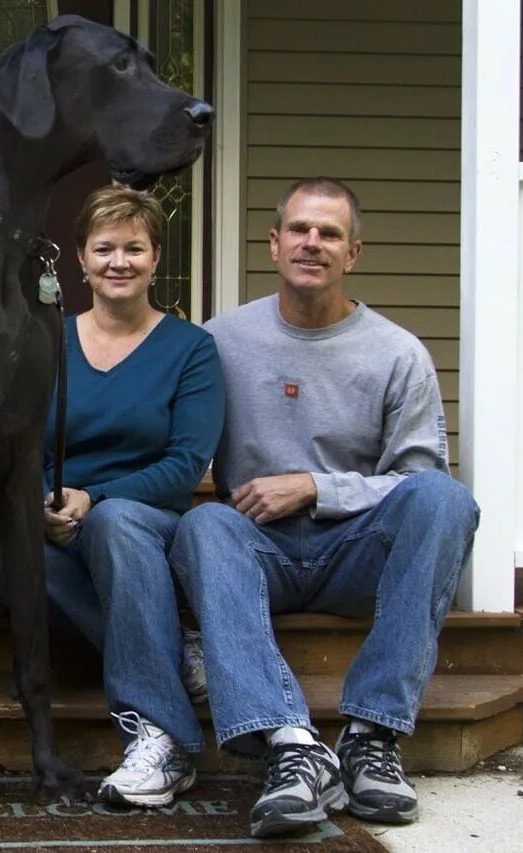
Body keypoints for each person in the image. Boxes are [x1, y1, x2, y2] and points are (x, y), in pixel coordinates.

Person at [169, 177, 479, 838]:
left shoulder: (397, 353)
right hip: (258, 550)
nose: (314, 243)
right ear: (274, 243)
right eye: (301, 230)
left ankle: (372, 736)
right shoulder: (220, 341)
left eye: (330, 233)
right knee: (204, 522)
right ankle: (291, 745)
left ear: (353, 253)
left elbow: (420, 475)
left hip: (354, 552)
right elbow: (173, 443)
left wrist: (316, 485)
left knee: (446, 501)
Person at [0, 185, 224, 808]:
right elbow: (20, 449)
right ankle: (173, 650)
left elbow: (186, 465)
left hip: (148, 525)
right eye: (103, 247)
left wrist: (95, 497)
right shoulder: (43, 344)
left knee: (114, 523)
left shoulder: (191, 349)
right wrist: (43, 507)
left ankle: (162, 734)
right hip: (63, 522)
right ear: (79, 260)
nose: (118, 261)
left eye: (134, 248)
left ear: (156, 258)